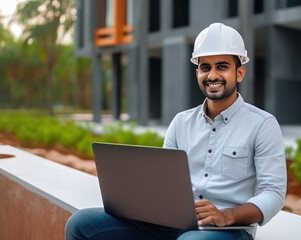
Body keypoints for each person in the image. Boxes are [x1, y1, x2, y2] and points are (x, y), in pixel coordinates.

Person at [65, 23, 287, 240]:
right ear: (197, 72)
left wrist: (227, 215)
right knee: (80, 225)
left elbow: (273, 193)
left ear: (239, 73)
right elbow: (163, 182)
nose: (212, 76)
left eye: (222, 66)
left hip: (228, 230)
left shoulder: (263, 125)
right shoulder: (181, 122)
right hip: (170, 223)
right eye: (205, 67)